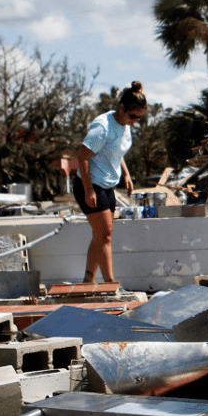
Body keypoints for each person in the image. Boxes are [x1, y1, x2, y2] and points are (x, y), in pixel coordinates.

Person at [72, 82, 147, 285]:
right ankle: (110, 284)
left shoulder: (124, 124)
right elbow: (82, 156)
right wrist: (88, 190)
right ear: (121, 107)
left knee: (100, 235)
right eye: (133, 116)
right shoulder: (102, 127)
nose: (135, 121)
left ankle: (88, 280)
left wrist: (127, 175)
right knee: (105, 236)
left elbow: (116, 151)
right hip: (90, 183)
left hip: (107, 184)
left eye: (139, 118)